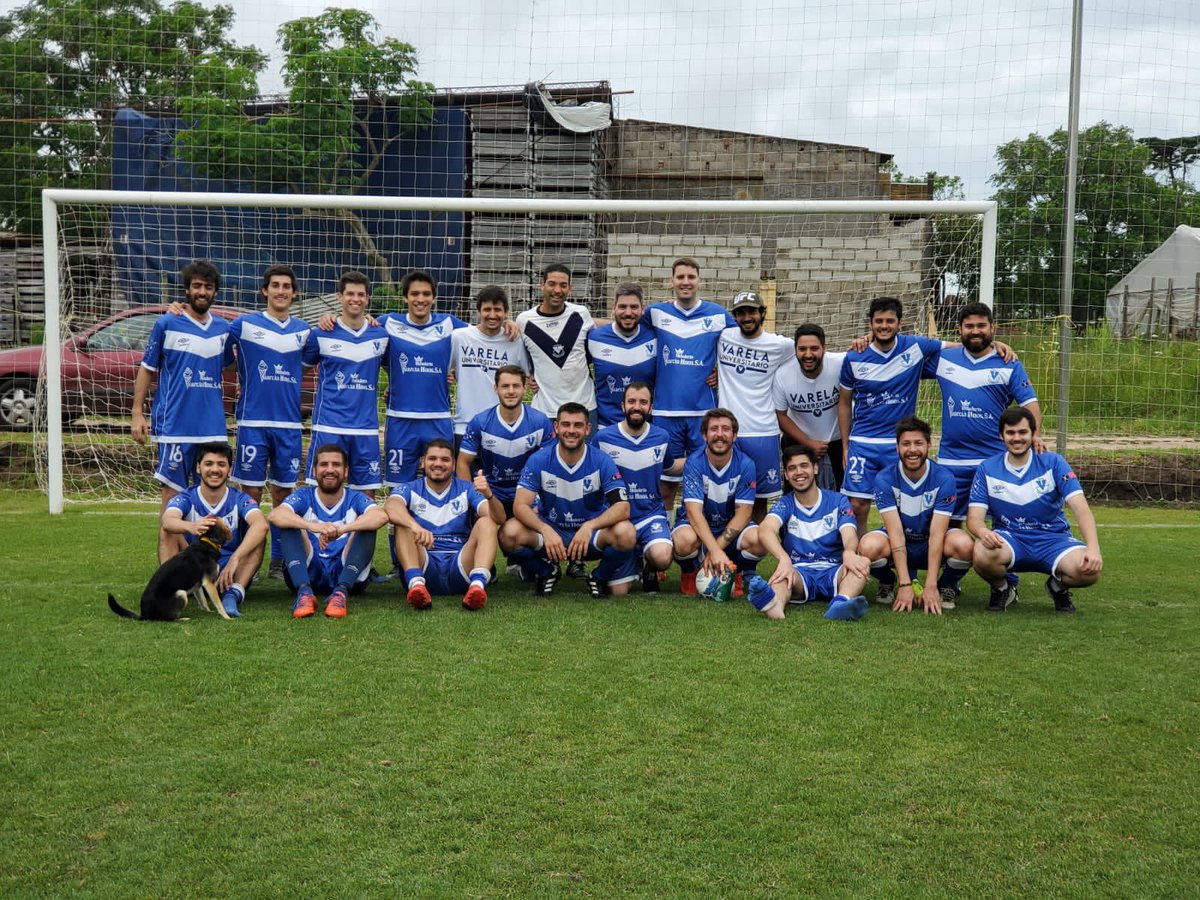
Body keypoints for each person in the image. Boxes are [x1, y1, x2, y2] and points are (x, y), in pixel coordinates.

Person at [131, 260, 231, 561]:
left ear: (215, 292)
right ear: (188, 289)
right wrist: (137, 412)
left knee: (209, 502)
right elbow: (147, 369)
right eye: (197, 286)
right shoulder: (167, 323)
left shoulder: (224, 329)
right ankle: (168, 572)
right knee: (172, 504)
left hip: (213, 428)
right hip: (175, 427)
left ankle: (203, 568)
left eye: (208, 287)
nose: (202, 292)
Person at [223, 265, 312, 580]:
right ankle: (244, 556)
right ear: (264, 291)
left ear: (294, 293)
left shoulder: (304, 331)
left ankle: (279, 559)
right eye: (275, 285)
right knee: (250, 493)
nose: (281, 291)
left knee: (283, 495)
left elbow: (322, 355)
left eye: (287, 286)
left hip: (288, 425)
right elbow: (218, 348)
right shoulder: (243, 326)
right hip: (252, 422)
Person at [967, 407, 1103, 614]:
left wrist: (1093, 548)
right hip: (1010, 539)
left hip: (1053, 539)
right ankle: (1002, 589)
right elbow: (974, 520)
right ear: (1001, 436)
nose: (1017, 438)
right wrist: (984, 533)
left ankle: (1057, 588)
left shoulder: (1054, 462)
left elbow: (1081, 508)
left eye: (1022, 432)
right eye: (1010, 433)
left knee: (1089, 571)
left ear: (1033, 433)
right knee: (980, 552)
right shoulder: (987, 468)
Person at [499, 402, 637, 597]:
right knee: (508, 533)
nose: (571, 431)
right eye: (566, 424)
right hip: (552, 532)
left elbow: (623, 508)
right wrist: (545, 529)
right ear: (556, 427)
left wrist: (590, 526)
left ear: (588, 429)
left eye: (578, 425)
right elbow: (520, 505)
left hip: (589, 536)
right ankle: (547, 572)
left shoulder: (601, 460)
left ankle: (598, 577)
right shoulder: (539, 460)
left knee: (627, 533)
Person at [926, 301, 1045, 522]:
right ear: (959, 329)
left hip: (994, 457)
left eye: (981, 325)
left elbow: (1030, 403)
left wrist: (1035, 434)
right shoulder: (943, 359)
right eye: (969, 326)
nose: (975, 331)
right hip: (952, 459)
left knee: (1003, 521)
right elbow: (904, 358)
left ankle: (1002, 556)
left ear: (992, 327)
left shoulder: (1009, 363)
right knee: (949, 525)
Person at [837, 296, 946, 533]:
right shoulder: (855, 356)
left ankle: (907, 558)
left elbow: (955, 348)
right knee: (857, 504)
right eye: (879, 321)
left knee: (905, 504)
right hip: (863, 442)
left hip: (899, 443)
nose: (884, 326)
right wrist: (846, 445)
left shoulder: (915, 347)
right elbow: (844, 403)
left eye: (889, 321)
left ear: (900, 323)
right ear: (870, 323)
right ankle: (860, 558)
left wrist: (995, 347)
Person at [641, 258, 736, 509]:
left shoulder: (718, 314)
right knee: (667, 483)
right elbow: (624, 326)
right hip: (665, 411)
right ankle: (668, 537)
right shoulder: (656, 313)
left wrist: (723, 370)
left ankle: (703, 539)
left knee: (707, 481)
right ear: (671, 281)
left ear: (699, 281)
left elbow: (745, 342)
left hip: (703, 413)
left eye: (690, 277)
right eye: (680, 277)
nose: (685, 282)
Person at [857, 417, 976, 613]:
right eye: (906, 444)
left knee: (964, 545)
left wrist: (929, 585)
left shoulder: (944, 478)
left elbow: (938, 534)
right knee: (867, 546)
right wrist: (905, 584)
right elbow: (894, 532)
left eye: (918, 443)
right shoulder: (884, 479)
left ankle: (944, 585)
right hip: (900, 541)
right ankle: (889, 581)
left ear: (929, 445)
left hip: (930, 540)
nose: (912, 449)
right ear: (897, 448)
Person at [744, 444, 871, 621]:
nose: (799, 472)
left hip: (834, 569)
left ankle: (841, 603)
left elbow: (849, 533)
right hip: (799, 572)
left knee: (861, 564)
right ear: (786, 475)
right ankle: (774, 607)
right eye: (792, 468)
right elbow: (765, 529)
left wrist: (849, 552)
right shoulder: (785, 503)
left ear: (815, 468)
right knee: (782, 578)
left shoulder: (837, 500)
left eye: (804, 465)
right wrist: (784, 559)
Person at [457, 365, 555, 581]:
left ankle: (536, 564)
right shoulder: (480, 422)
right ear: (496, 389)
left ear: (525, 389)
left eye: (516, 386)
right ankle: (484, 567)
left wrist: (543, 499)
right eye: (505, 386)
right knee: (480, 521)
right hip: (494, 492)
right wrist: (469, 498)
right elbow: (463, 462)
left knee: (511, 534)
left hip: (527, 493)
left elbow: (550, 467)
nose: (510, 391)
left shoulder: (540, 422)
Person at [269, 443, 389, 619]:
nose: (330, 470)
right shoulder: (304, 496)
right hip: (309, 570)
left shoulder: (355, 497)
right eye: (324, 465)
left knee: (366, 524)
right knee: (289, 522)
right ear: (315, 471)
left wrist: (343, 529)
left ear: (346, 471)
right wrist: (312, 526)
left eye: (336, 465)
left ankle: (340, 593)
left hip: (346, 571)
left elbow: (381, 516)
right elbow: (275, 515)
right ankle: (304, 593)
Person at [387, 439, 505, 612]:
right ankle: (416, 586)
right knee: (402, 525)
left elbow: (499, 517)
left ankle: (477, 586)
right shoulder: (409, 488)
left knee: (486, 522)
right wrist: (416, 527)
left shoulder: (467, 489)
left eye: (445, 460)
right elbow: (391, 506)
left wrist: (489, 495)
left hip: (460, 564)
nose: (438, 464)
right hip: (425, 565)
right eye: (432, 458)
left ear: (454, 464)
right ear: (422, 461)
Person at [301, 271, 389, 492]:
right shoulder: (321, 333)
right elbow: (299, 368)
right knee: (320, 489)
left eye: (361, 294)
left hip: (366, 428)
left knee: (367, 493)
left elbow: (397, 369)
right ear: (339, 296)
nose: (355, 299)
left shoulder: (381, 335)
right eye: (350, 293)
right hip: (329, 425)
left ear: (368, 298)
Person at [160, 441, 267, 617]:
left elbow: (261, 524)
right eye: (208, 464)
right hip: (193, 567)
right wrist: (191, 526)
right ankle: (173, 589)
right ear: (198, 468)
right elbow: (168, 520)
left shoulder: (240, 498)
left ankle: (233, 594)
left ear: (230, 470)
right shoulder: (187, 497)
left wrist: (235, 558)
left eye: (221, 464)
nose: (215, 469)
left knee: (259, 535)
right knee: (169, 530)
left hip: (229, 569)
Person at [594, 382, 682, 593]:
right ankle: (629, 557)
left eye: (643, 402)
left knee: (662, 556)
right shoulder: (603, 438)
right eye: (631, 401)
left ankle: (650, 569)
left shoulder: (661, 437)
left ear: (651, 407)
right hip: (618, 519)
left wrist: (701, 457)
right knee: (619, 593)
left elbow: (670, 468)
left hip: (650, 515)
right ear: (622, 406)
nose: (637, 406)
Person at [716, 290, 794, 521]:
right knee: (727, 498)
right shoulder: (723, 336)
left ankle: (755, 551)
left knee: (760, 500)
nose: (746, 317)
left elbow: (814, 349)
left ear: (762, 313)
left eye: (751, 311)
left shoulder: (780, 345)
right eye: (741, 313)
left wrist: (863, 342)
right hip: (729, 432)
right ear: (734, 316)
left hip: (764, 432)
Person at [671, 408, 761, 596]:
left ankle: (737, 570)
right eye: (714, 429)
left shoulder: (746, 464)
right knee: (683, 540)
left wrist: (716, 550)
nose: (720, 435)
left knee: (759, 538)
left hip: (728, 528)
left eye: (725, 429)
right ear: (704, 435)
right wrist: (714, 549)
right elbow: (693, 513)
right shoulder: (694, 463)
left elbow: (744, 512)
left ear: (734, 436)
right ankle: (689, 572)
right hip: (697, 528)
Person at [451, 285, 530, 450]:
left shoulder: (515, 340)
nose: (492, 315)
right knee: (464, 475)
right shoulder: (460, 337)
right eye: (487, 309)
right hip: (464, 425)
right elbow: (442, 369)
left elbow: (528, 376)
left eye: (498, 310)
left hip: (502, 426)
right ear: (478, 312)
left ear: (506, 312)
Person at [516, 264, 596, 422]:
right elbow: (519, 355)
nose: (557, 290)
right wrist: (529, 374)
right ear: (542, 284)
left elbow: (598, 340)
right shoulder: (524, 321)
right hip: (545, 411)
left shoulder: (581, 314)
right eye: (552, 284)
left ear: (570, 288)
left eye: (563, 285)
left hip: (584, 408)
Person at [772, 323, 845, 490]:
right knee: (797, 494)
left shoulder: (841, 363)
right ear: (795, 350)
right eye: (802, 349)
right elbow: (780, 415)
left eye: (814, 348)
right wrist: (809, 443)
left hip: (838, 441)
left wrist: (865, 340)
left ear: (824, 348)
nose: (808, 354)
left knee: (843, 495)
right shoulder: (783, 375)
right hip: (799, 440)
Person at [587, 283, 657, 429]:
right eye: (622, 306)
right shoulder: (594, 338)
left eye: (634, 307)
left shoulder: (655, 337)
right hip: (605, 426)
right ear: (613, 308)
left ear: (642, 309)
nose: (628, 312)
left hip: (645, 428)